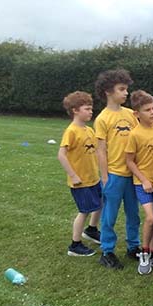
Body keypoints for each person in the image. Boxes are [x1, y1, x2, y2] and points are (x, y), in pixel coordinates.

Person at [94, 69, 141, 269]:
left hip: (132, 175)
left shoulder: (131, 114)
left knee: (134, 213)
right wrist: (105, 177)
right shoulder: (102, 119)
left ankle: (133, 246)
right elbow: (101, 150)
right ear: (108, 91)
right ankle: (107, 251)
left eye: (126, 89)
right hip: (114, 175)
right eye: (121, 89)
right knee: (109, 215)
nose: (126, 93)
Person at [57, 91, 102, 257]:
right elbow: (61, 155)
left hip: (94, 179)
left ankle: (91, 230)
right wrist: (73, 175)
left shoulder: (89, 130)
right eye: (87, 109)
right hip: (80, 182)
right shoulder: (72, 131)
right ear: (75, 110)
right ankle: (75, 245)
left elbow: (97, 152)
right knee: (84, 211)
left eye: (91, 109)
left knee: (100, 203)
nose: (91, 112)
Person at [125, 90, 153, 274]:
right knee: (151, 217)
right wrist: (144, 180)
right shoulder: (134, 135)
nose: (152, 112)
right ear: (136, 114)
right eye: (147, 109)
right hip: (143, 184)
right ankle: (144, 252)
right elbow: (129, 161)